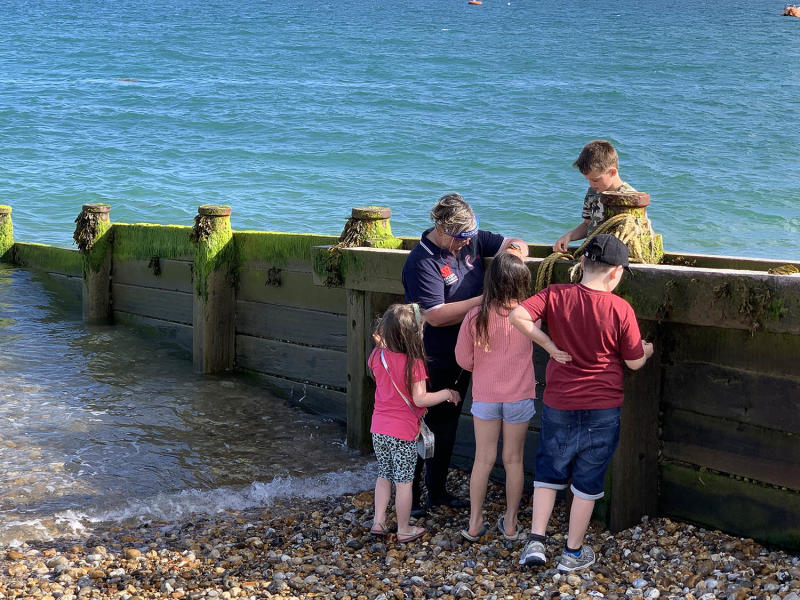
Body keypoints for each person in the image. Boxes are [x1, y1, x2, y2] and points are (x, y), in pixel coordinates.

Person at [509, 234, 654, 572]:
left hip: (560, 403)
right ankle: (572, 554)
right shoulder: (621, 308)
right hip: (602, 408)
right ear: (615, 273)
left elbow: (517, 315)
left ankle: (536, 542)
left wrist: (547, 344)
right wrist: (647, 350)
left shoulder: (556, 294)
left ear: (583, 265)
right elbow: (633, 362)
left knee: (549, 471)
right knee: (587, 481)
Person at [402, 193, 528, 515]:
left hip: (468, 351)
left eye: (470, 238)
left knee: (448, 424)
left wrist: (513, 256)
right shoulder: (422, 261)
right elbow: (436, 315)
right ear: (444, 231)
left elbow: (514, 241)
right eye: (461, 239)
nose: (467, 245)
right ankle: (412, 496)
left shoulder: (471, 239)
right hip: (433, 354)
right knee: (423, 423)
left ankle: (438, 491)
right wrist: (488, 298)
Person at [454, 252, 536, 542]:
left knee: (483, 460)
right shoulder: (529, 315)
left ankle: (475, 523)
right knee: (514, 460)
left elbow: (463, 360)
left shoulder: (476, 315)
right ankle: (511, 523)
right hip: (519, 397)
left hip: (486, 397)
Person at [367, 303, 462, 543]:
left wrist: (382, 341)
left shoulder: (377, 356)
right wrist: (447, 393)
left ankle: (378, 521)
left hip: (378, 427)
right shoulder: (414, 363)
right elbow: (421, 398)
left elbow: (372, 367)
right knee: (405, 481)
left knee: (384, 474)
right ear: (414, 334)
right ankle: (403, 528)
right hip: (402, 430)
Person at [553, 140, 637, 253]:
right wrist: (569, 236)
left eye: (595, 180)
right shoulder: (593, 192)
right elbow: (588, 224)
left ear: (612, 172)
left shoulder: (631, 198)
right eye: (588, 180)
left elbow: (632, 235)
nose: (591, 184)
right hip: (591, 252)